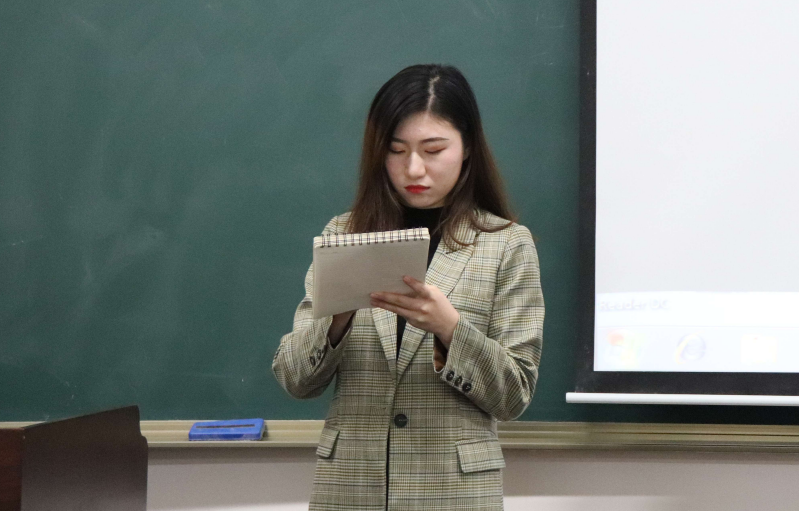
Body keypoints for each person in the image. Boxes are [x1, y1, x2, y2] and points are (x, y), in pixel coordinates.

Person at [272, 64, 544, 511]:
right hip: (350, 491)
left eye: (433, 149)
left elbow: (514, 395)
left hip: (454, 495)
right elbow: (295, 380)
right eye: (396, 150)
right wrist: (337, 317)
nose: (413, 168)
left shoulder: (505, 244)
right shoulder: (345, 235)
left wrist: (450, 328)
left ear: (467, 147)